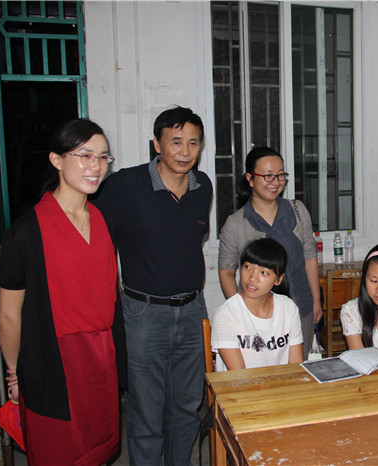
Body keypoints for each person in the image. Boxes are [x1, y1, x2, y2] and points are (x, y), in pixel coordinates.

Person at [0, 119, 127, 464]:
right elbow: (9, 315)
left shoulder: (104, 221)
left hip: (100, 359)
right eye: (85, 155)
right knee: (58, 453)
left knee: (99, 450)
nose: (96, 166)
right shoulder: (25, 232)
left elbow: (109, 292)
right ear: (56, 159)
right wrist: (14, 374)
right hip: (53, 362)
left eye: (103, 157)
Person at [92, 106, 212, 465]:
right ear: (157, 144)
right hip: (143, 315)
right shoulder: (124, 186)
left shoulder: (203, 186)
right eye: (176, 141)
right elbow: (93, 234)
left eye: (193, 143)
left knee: (187, 407)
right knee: (146, 412)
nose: (185, 151)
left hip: (193, 311)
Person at [218, 147, 321, 360]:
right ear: (250, 179)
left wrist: (316, 301)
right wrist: (240, 312)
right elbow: (226, 272)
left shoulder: (297, 211)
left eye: (280, 175)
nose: (275, 182)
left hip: (300, 309)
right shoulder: (235, 223)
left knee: (297, 372)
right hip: (256, 317)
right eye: (268, 176)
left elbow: (309, 258)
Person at [212, 238, 304, 371]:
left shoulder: (288, 308)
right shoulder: (227, 314)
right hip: (240, 383)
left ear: (278, 279)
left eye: (264, 272)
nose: (252, 278)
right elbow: (239, 376)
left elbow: (296, 367)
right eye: (248, 267)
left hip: (281, 382)